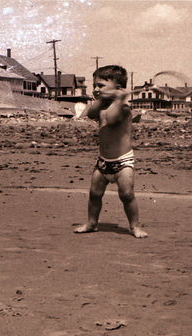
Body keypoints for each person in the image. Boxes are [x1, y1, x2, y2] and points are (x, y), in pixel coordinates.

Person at [74, 65, 147, 238]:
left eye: (101, 85)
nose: (96, 89)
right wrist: (100, 99)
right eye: (95, 86)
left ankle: (134, 226)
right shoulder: (101, 106)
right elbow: (90, 114)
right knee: (94, 194)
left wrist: (119, 100)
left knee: (127, 194)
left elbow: (112, 120)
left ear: (118, 89)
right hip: (103, 161)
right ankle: (92, 223)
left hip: (123, 161)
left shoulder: (123, 107)